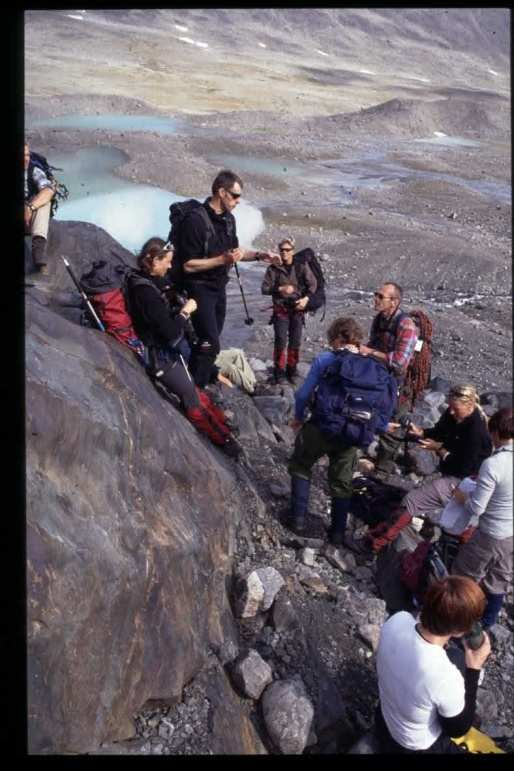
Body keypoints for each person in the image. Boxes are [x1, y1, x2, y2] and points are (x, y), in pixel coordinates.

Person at [127, 237, 241, 458]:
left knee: (195, 387)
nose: (170, 266)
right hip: (158, 355)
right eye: (167, 261)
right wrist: (185, 312)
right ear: (154, 260)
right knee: (191, 397)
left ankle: (221, 424)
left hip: (165, 350)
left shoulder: (144, 279)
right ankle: (223, 439)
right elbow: (169, 332)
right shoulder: (145, 292)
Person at [287, 317, 397, 541]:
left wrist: (298, 418)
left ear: (337, 338)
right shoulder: (374, 366)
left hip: (322, 426)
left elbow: (302, 394)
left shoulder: (327, 359)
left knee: (301, 464)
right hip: (353, 432)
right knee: (342, 480)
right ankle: (337, 532)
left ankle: (297, 519)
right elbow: (383, 405)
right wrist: (380, 426)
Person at [173, 170, 280, 388]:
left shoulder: (228, 220)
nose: (239, 201)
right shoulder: (195, 221)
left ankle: (201, 376)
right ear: (221, 192)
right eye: (235, 196)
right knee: (209, 342)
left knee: (212, 339)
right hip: (198, 289)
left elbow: (235, 252)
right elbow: (187, 264)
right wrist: (222, 260)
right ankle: (195, 388)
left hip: (219, 287)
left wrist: (260, 256)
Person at [358, 383, 493, 554]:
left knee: (413, 501)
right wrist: (422, 433)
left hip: (465, 480)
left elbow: (464, 467)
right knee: (446, 513)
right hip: (454, 473)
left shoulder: (477, 431)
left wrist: (439, 450)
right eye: (450, 407)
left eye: (455, 408)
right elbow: (440, 431)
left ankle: (374, 545)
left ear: (470, 405)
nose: (451, 412)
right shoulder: (455, 414)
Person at [375, 575, 491, 754]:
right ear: (459, 631)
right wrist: (473, 668)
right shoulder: (444, 675)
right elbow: (457, 729)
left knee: (453, 656)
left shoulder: (397, 620)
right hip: (413, 745)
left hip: (384, 720)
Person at [452, 407, 513, 630]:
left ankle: (455, 621)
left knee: (463, 575)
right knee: (499, 579)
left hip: (491, 533)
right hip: (511, 534)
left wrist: (461, 498)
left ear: (496, 432)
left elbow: (477, 508)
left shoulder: (493, 464)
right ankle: (486, 625)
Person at [359, 282, 419, 473]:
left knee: (394, 423)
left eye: (380, 296)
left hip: (397, 382)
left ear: (394, 302)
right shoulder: (379, 320)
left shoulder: (406, 325)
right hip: (378, 378)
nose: (375, 299)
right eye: (375, 294)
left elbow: (400, 362)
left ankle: (383, 470)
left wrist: (370, 352)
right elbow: (373, 344)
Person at [261, 236, 317, 385]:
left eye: (287, 250)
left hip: (297, 310)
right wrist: (280, 288)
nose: (284, 253)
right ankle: (279, 371)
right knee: (280, 340)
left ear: (292, 251)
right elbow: (264, 289)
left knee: (295, 341)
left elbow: (313, 285)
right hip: (281, 310)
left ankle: (292, 370)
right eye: (282, 250)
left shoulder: (301, 266)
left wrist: (305, 299)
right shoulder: (273, 269)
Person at [24, 141, 56, 275]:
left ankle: (38, 253)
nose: (25, 159)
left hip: (28, 218)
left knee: (44, 204)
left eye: (27, 155)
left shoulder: (34, 170)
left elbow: (48, 190)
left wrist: (30, 207)